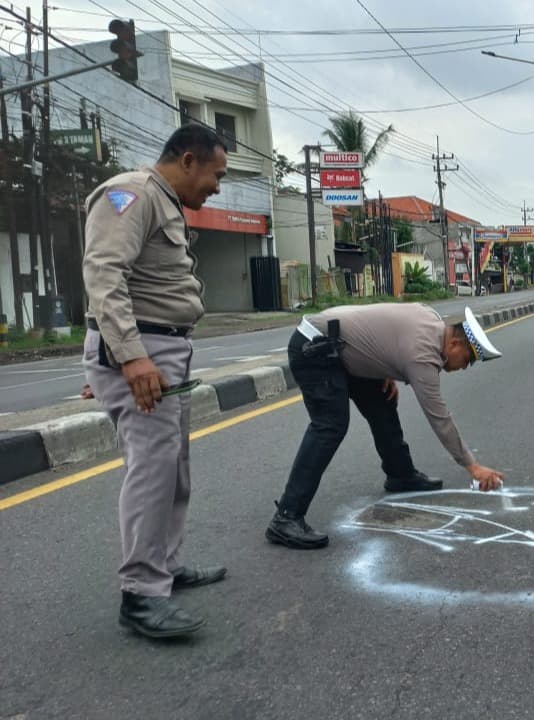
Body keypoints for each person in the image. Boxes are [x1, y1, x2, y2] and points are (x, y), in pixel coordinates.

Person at [82, 124, 229, 640]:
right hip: (142, 350)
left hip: (163, 348)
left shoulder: (164, 202)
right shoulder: (132, 194)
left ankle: (163, 566)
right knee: (152, 470)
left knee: (173, 468)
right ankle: (141, 595)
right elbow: (104, 273)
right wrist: (128, 358)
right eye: (216, 175)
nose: (217, 187)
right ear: (188, 160)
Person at [266, 304, 507, 550]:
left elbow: (387, 336)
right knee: (330, 425)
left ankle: (400, 475)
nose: (462, 368)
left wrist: (383, 369)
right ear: (455, 344)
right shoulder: (423, 355)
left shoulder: (432, 318)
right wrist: (473, 467)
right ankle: (287, 516)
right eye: (466, 361)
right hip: (315, 348)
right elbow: (439, 417)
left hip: (342, 348)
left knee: (382, 402)